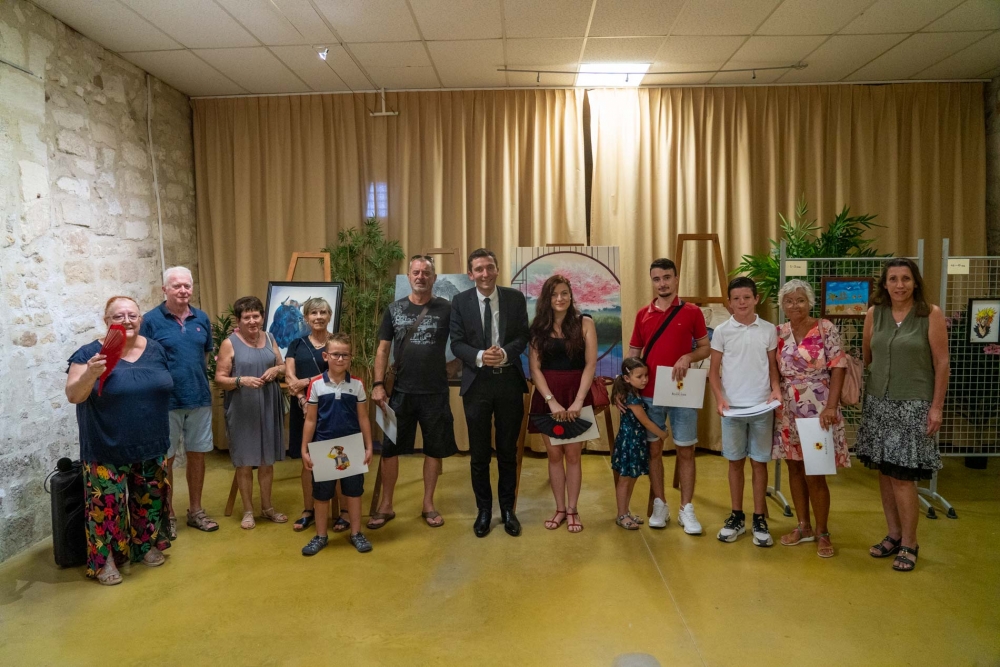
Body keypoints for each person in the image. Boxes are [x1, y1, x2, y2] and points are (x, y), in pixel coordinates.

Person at [65, 296, 173, 585]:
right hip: (106, 446)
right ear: (106, 321)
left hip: (151, 444)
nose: (126, 321)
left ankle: (145, 545)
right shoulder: (89, 353)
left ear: (141, 319)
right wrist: (90, 373)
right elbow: (74, 395)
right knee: (106, 507)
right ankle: (106, 560)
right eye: (118, 316)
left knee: (149, 501)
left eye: (132, 315)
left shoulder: (156, 349)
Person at [856, 258, 949, 572]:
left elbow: (942, 364)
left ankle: (910, 543)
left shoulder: (930, 314)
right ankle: (893, 535)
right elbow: (868, 355)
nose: (899, 285)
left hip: (912, 406)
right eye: (893, 279)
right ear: (885, 284)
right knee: (885, 473)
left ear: (915, 282)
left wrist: (936, 407)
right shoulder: (874, 314)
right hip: (878, 405)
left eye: (905, 279)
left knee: (902, 479)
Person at [370, 255, 458, 530]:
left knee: (433, 450)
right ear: (409, 276)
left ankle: (428, 504)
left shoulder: (447, 309)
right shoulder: (393, 309)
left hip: (435, 393)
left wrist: (457, 364)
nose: (421, 276)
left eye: (426, 273)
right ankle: (386, 505)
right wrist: (377, 384)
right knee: (390, 450)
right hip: (399, 394)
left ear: (434, 278)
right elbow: (383, 349)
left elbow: (465, 342)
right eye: (416, 272)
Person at [450, 248, 530, 538]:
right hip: (477, 385)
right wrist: (482, 355)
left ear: (497, 270)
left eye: (489, 268)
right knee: (479, 454)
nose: (485, 274)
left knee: (508, 452)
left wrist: (506, 353)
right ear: (470, 274)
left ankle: (508, 509)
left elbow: (524, 335)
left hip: (509, 382)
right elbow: (457, 343)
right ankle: (484, 510)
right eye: (479, 269)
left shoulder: (514, 298)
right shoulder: (460, 302)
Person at [627, 258, 710, 533]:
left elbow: (705, 348)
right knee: (654, 450)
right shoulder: (642, 315)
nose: (662, 283)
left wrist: (687, 356)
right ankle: (660, 503)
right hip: (650, 395)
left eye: (666, 277)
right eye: (656, 278)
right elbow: (634, 355)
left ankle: (687, 508)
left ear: (676, 279)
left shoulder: (692, 312)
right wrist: (628, 387)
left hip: (683, 393)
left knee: (686, 450)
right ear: (652, 281)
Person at [139, 266, 218, 539]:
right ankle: (168, 514)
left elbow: (204, 357)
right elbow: (144, 361)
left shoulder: (202, 318)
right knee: (167, 460)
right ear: (165, 289)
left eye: (187, 285)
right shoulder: (150, 321)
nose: (183, 290)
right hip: (165, 403)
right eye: (176, 286)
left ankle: (195, 511)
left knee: (198, 456)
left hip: (199, 399)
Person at [773, 280, 849, 558]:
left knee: (815, 472)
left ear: (810, 302)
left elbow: (838, 366)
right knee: (794, 468)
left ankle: (823, 531)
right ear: (782, 305)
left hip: (819, 409)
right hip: (788, 409)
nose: (795, 305)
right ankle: (803, 526)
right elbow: (773, 368)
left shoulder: (825, 327)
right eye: (789, 301)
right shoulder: (778, 332)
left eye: (800, 300)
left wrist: (831, 406)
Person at [708, 276, 780, 547]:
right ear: (729, 302)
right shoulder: (722, 331)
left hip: (762, 406)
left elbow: (773, 367)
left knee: (759, 463)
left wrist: (775, 389)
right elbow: (714, 373)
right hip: (733, 409)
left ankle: (759, 517)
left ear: (756, 299)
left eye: (746, 298)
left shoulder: (769, 330)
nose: (741, 303)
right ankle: (736, 515)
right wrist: (719, 399)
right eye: (736, 299)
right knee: (735, 462)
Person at [527, 275, 597, 533]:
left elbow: (590, 364)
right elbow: (535, 369)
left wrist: (579, 400)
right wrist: (551, 402)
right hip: (549, 396)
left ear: (571, 295)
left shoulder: (585, 323)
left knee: (574, 456)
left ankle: (573, 510)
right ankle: (558, 509)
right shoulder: (537, 328)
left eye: (564, 293)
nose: (560, 298)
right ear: (547, 298)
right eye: (555, 294)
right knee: (555, 456)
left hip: (577, 393)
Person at [214, 295, 287, 529]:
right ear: (238, 320)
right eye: (247, 317)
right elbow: (219, 379)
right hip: (242, 406)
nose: (253, 321)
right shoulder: (229, 343)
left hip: (268, 402)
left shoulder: (270, 337)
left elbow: (284, 366)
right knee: (244, 461)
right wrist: (240, 380)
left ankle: (267, 508)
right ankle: (247, 510)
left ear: (262, 317)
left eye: (256, 316)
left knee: (267, 461)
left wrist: (276, 369)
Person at [300, 333, 375, 555]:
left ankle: (356, 533)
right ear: (326, 356)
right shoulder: (315, 384)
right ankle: (321, 535)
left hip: (352, 446)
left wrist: (368, 446)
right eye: (335, 354)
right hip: (323, 446)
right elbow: (311, 419)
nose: (340, 359)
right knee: (322, 494)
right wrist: (304, 449)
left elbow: (363, 418)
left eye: (345, 355)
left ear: (351, 357)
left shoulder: (358, 385)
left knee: (353, 491)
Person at [285, 297, 347, 533]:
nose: (318, 317)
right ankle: (308, 509)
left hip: (334, 407)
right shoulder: (296, 344)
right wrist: (302, 398)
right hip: (303, 408)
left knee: (338, 459)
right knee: (308, 462)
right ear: (306, 317)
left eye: (323, 312)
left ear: (329, 315)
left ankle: (343, 511)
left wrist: (306, 383)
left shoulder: (337, 342)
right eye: (314, 313)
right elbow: (290, 377)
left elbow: (337, 371)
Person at [610, 358, 669, 530]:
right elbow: (646, 422)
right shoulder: (631, 397)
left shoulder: (634, 393)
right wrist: (662, 434)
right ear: (627, 379)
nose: (645, 379)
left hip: (635, 442)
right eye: (639, 376)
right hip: (630, 442)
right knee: (625, 479)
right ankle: (621, 514)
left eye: (646, 375)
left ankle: (625, 512)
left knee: (632, 478)